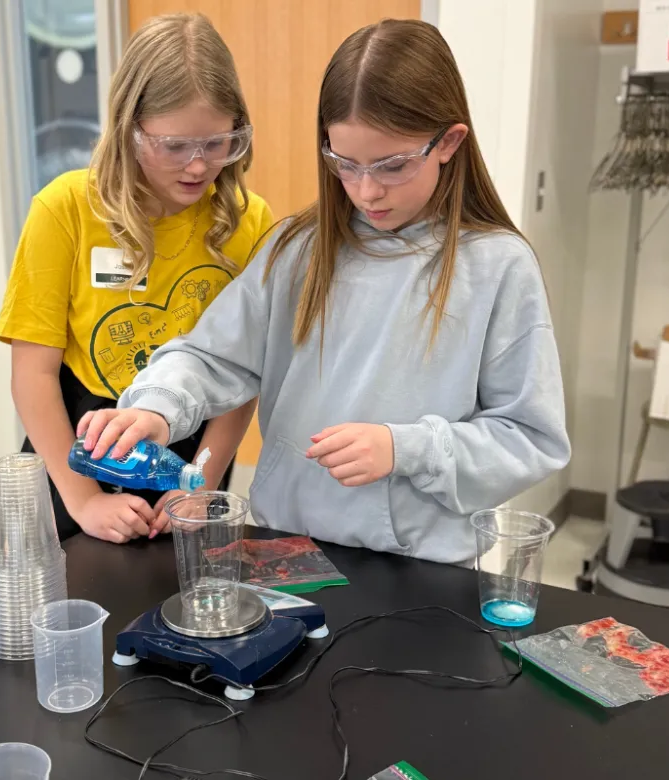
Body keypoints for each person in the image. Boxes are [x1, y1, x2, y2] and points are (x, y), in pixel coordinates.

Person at [78, 19, 572, 564]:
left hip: (418, 565)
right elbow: (210, 356)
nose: (366, 190)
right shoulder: (296, 249)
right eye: (345, 164)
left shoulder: (497, 266)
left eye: (392, 165)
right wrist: (157, 409)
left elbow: (529, 438)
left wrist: (405, 449)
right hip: (283, 551)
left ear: (449, 142)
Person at [0, 14, 272, 545]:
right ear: (129, 128)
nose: (197, 166)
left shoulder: (248, 220)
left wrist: (203, 481)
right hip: (79, 448)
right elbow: (32, 375)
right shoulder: (66, 208)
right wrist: (83, 501)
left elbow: (240, 377)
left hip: (195, 451)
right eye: (173, 146)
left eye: (217, 144)